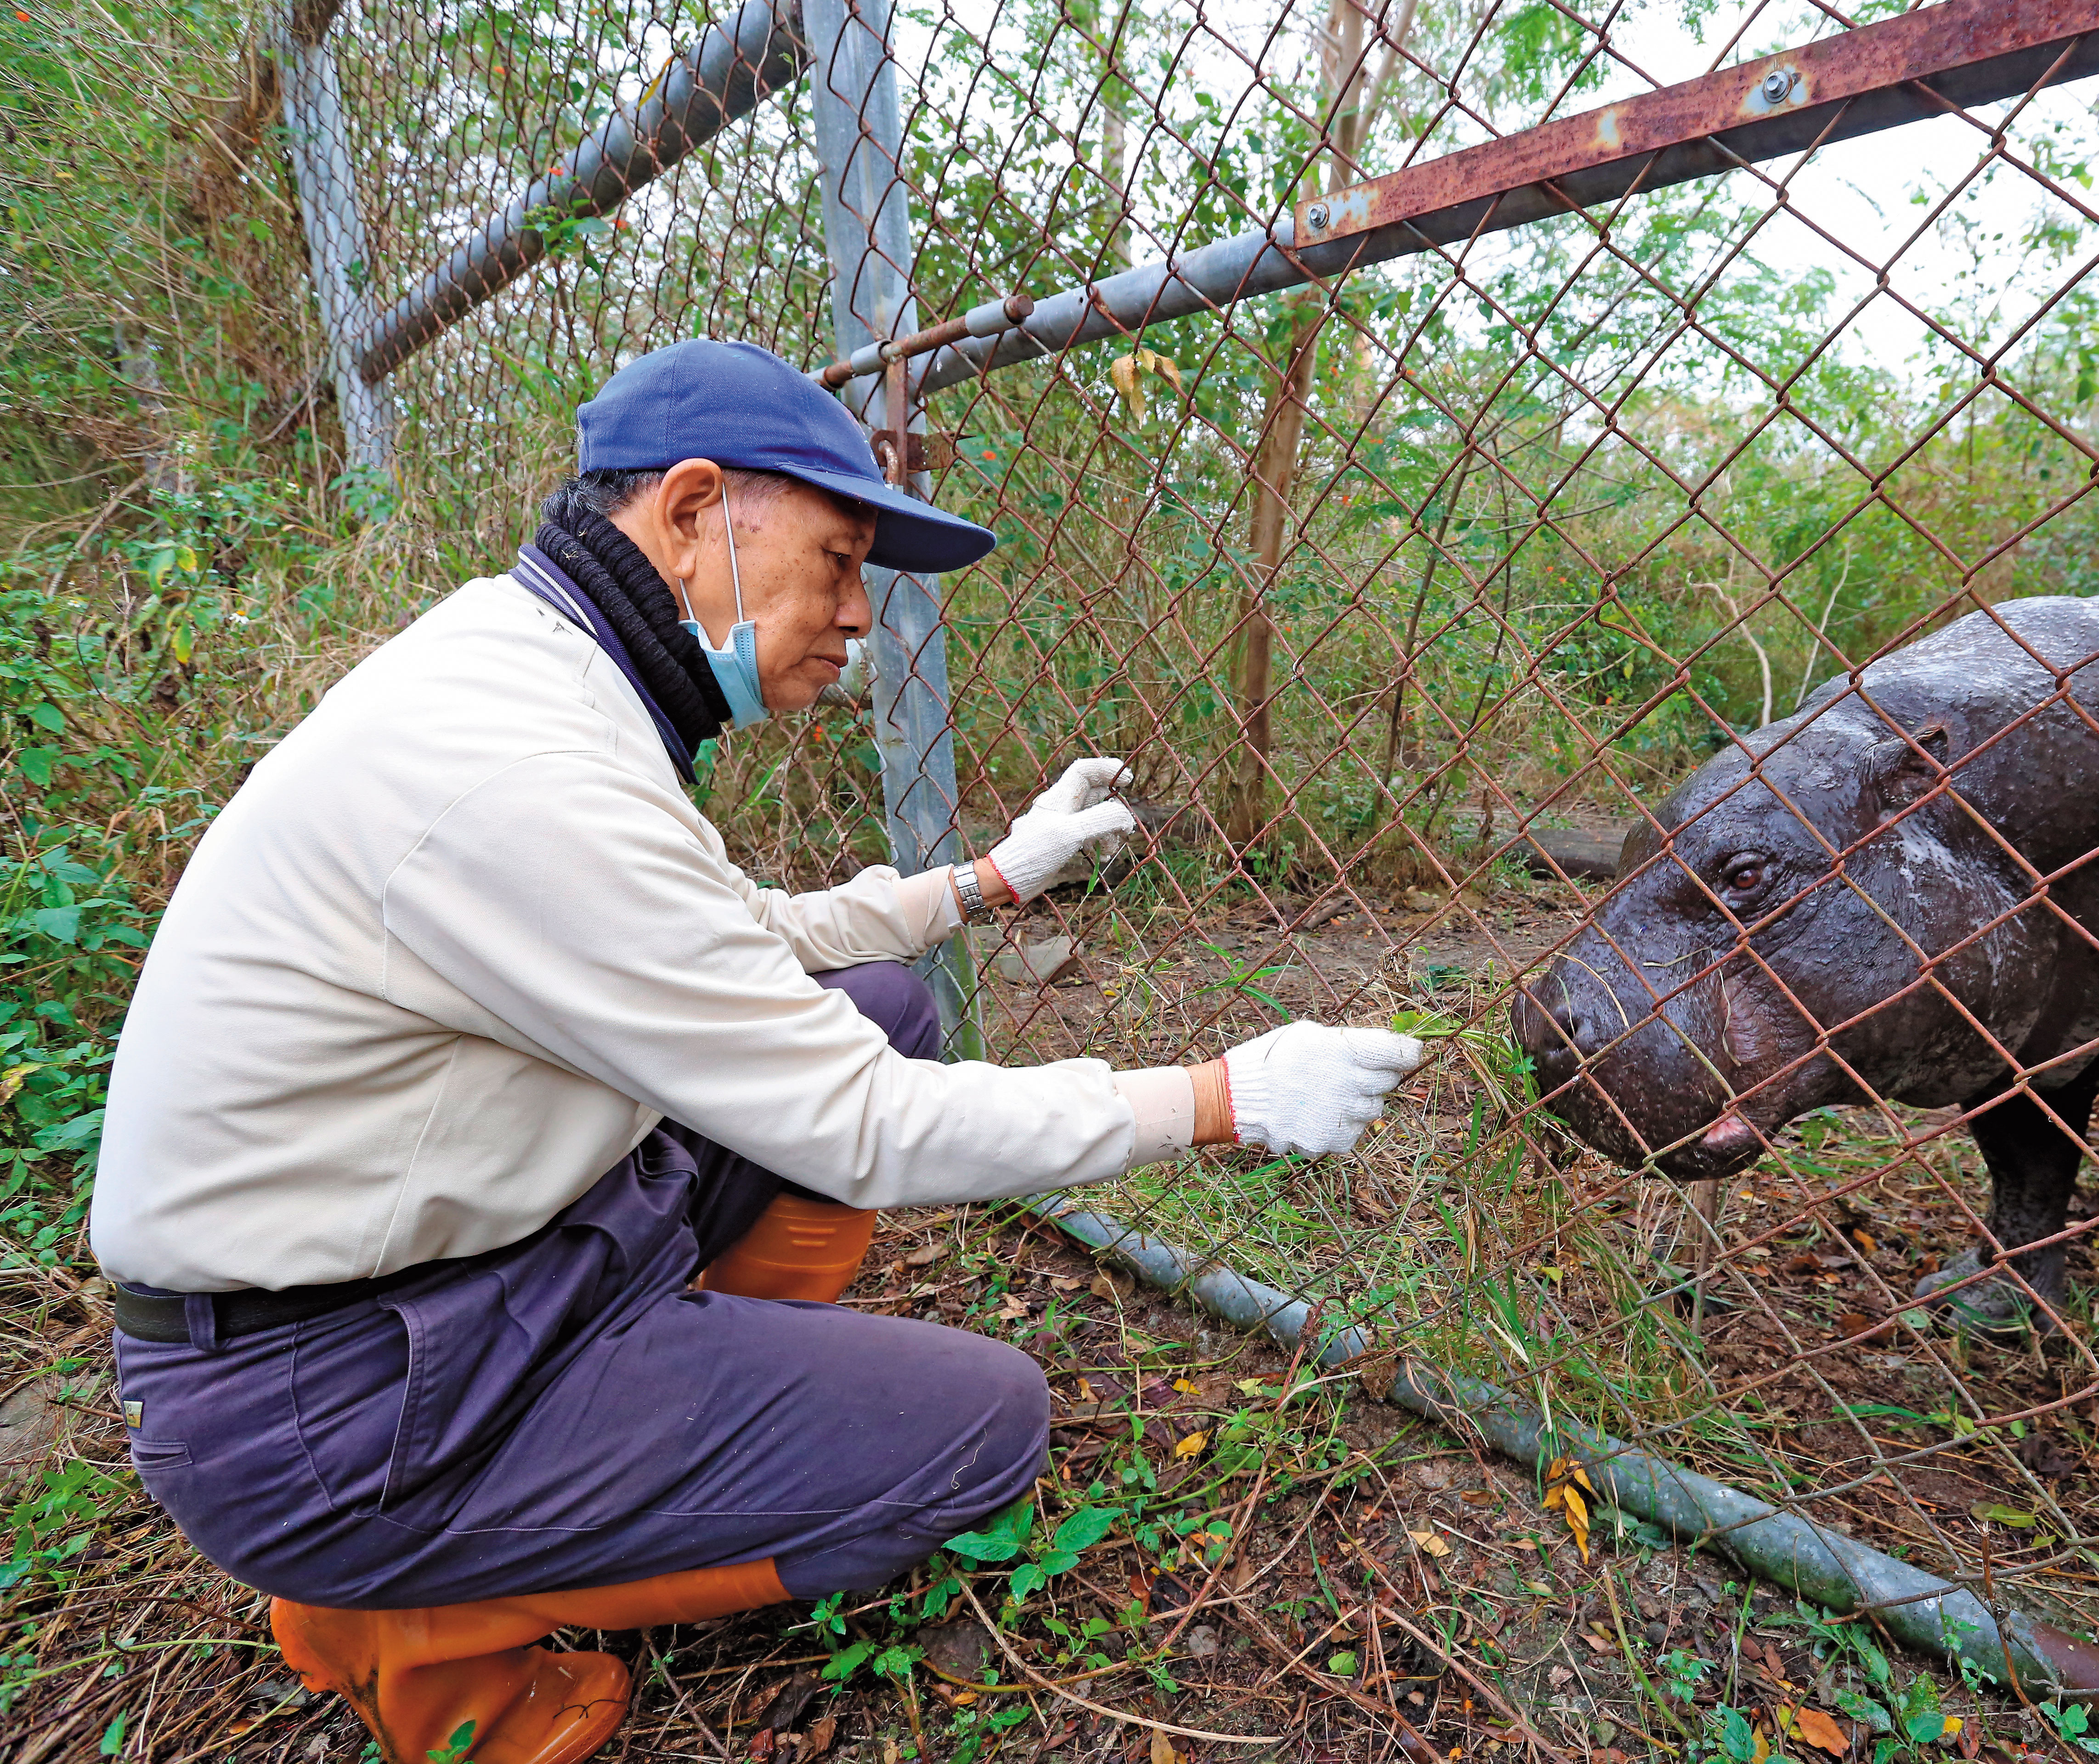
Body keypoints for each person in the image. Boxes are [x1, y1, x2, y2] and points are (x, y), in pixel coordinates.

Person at [88, 338, 1422, 1764]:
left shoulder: (541, 671)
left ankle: (659, 1404)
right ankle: (400, 1613)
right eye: (837, 561)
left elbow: (748, 937)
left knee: (886, 1004)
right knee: (981, 1432)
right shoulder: (520, 771)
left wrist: (992, 881)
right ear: (692, 509)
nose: (858, 615)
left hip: (453, 1277)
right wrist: (1224, 1098)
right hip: (333, 1397)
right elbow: (862, 1127)